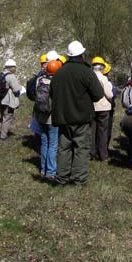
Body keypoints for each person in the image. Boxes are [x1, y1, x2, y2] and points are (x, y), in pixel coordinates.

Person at [49, 40, 105, 186]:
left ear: (68, 56)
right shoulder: (86, 72)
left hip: (62, 118)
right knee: (81, 148)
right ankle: (79, 180)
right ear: (82, 55)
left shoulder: (59, 73)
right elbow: (98, 94)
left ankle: (61, 178)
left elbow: (52, 93)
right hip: (81, 117)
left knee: (64, 149)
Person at [30, 59, 61, 179]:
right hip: (52, 117)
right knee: (53, 144)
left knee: (44, 142)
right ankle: (51, 171)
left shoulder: (40, 80)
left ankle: (43, 168)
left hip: (40, 116)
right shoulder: (57, 82)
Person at [89, 56, 114, 162]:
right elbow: (109, 94)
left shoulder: (89, 77)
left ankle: (91, 153)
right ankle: (103, 155)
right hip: (103, 107)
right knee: (103, 132)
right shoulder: (103, 78)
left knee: (92, 131)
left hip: (91, 107)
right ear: (102, 67)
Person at [0, 59, 24, 140]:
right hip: (9, 101)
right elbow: (16, 89)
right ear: (11, 67)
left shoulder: (2, 74)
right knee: (8, 117)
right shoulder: (11, 76)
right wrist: (21, 87)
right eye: (15, 67)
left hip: (1, 99)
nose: (16, 69)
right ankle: (3, 136)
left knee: (2, 116)